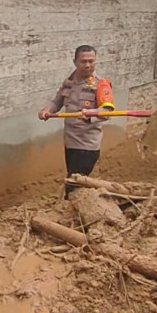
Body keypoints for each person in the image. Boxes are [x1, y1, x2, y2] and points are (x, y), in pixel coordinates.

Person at [37, 45, 115, 198]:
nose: (88, 65)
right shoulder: (69, 82)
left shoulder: (101, 84)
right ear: (75, 62)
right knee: (73, 180)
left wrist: (91, 114)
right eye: (84, 61)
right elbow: (57, 102)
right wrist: (47, 110)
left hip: (87, 144)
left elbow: (107, 112)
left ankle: (71, 210)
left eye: (91, 61)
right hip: (70, 141)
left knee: (73, 184)